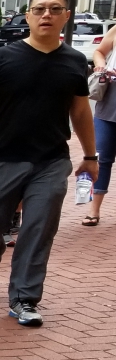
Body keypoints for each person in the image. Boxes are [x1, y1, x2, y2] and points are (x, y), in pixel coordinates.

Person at [0, 0, 97, 327]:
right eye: (40, 9)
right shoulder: (2, 57)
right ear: (28, 15)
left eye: (55, 9)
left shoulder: (75, 62)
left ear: (66, 17)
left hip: (51, 161)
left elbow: (81, 113)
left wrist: (91, 155)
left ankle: (24, 298)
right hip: (3, 159)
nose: (47, 14)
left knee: (38, 227)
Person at [83, 21, 116, 225]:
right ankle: (94, 211)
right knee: (101, 158)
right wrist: (101, 64)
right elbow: (99, 52)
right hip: (109, 104)